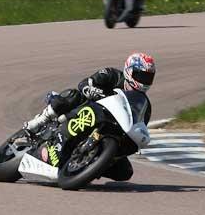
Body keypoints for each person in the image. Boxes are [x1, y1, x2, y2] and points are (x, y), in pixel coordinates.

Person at [24, 52, 156, 182]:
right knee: (73, 95)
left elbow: (136, 125)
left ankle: (86, 167)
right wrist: (93, 91)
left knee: (125, 172)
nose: (144, 81)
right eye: (141, 75)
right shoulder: (112, 75)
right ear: (129, 71)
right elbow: (84, 83)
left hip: (110, 129)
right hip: (88, 109)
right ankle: (40, 121)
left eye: (148, 78)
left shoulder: (144, 105)